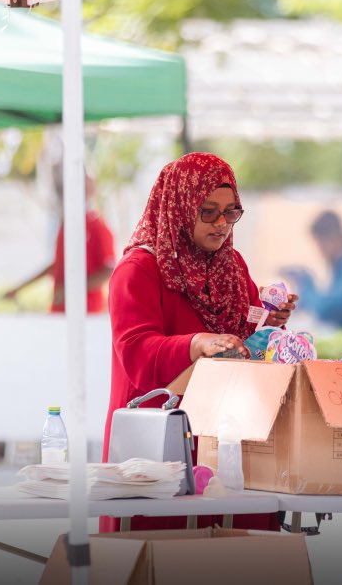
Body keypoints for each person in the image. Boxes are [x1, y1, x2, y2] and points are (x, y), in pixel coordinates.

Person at [101, 152, 297, 532]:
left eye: (231, 212)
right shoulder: (139, 270)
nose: (222, 224)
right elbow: (136, 353)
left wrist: (269, 325)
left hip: (222, 437)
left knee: (231, 557)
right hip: (158, 440)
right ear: (178, 206)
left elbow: (243, 339)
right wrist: (196, 344)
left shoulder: (232, 266)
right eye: (208, 211)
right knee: (157, 558)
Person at [4, 174, 115, 313]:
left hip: (87, 313)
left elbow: (108, 270)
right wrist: (19, 289)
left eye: (84, 187)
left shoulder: (98, 226)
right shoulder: (67, 226)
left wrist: (71, 289)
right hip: (60, 311)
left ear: (93, 190)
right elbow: (57, 265)